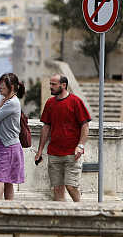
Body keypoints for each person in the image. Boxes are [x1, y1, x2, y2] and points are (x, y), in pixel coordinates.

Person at [35, 74, 90, 202]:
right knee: (57, 189)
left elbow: (85, 125)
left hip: (72, 153)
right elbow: (46, 127)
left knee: (71, 186)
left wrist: (80, 146)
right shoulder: (50, 103)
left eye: (53, 84)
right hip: (54, 153)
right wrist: (39, 151)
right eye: (50, 84)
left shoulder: (76, 101)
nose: (50, 87)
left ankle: (81, 212)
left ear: (63, 85)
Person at [0, 73, 26, 200]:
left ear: (11, 87)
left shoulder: (12, 103)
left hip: (8, 147)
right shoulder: (10, 101)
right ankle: (8, 209)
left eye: (2, 87)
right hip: (6, 145)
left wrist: (0, 104)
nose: (0, 88)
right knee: (7, 181)